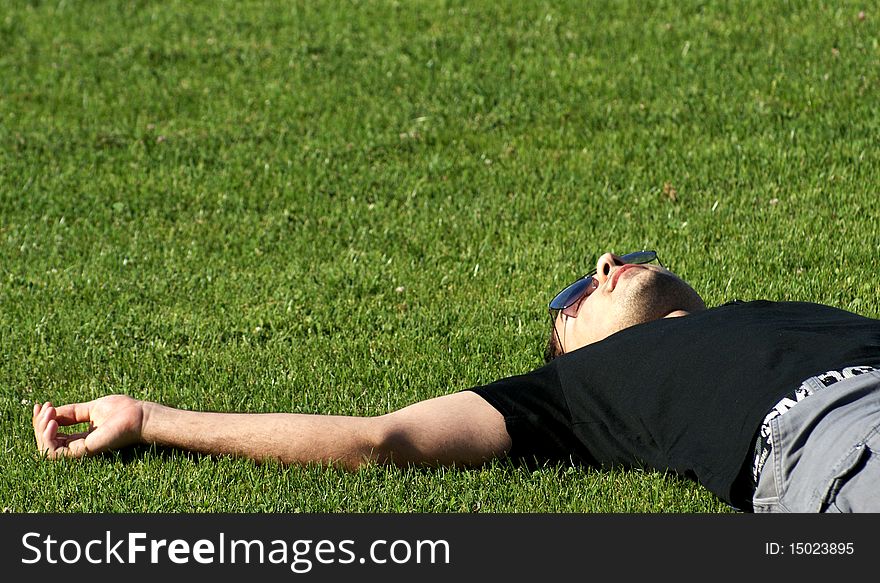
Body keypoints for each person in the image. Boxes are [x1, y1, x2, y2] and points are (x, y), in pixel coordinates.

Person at [32, 251, 880, 513]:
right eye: (576, 295)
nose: (603, 266)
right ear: (569, 347)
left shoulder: (791, 309)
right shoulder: (582, 391)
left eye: (611, 264)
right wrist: (149, 417)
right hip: (839, 447)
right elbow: (378, 440)